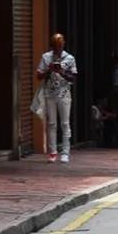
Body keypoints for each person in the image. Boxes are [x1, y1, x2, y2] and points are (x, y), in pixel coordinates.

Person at [35, 31, 77, 164]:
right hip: (49, 94)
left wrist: (61, 72)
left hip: (64, 94)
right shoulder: (46, 57)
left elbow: (73, 78)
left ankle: (65, 152)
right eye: (55, 46)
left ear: (63, 45)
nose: (57, 49)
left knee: (65, 123)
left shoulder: (69, 58)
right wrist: (49, 70)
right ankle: (52, 151)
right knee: (51, 123)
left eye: (59, 46)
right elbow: (39, 76)